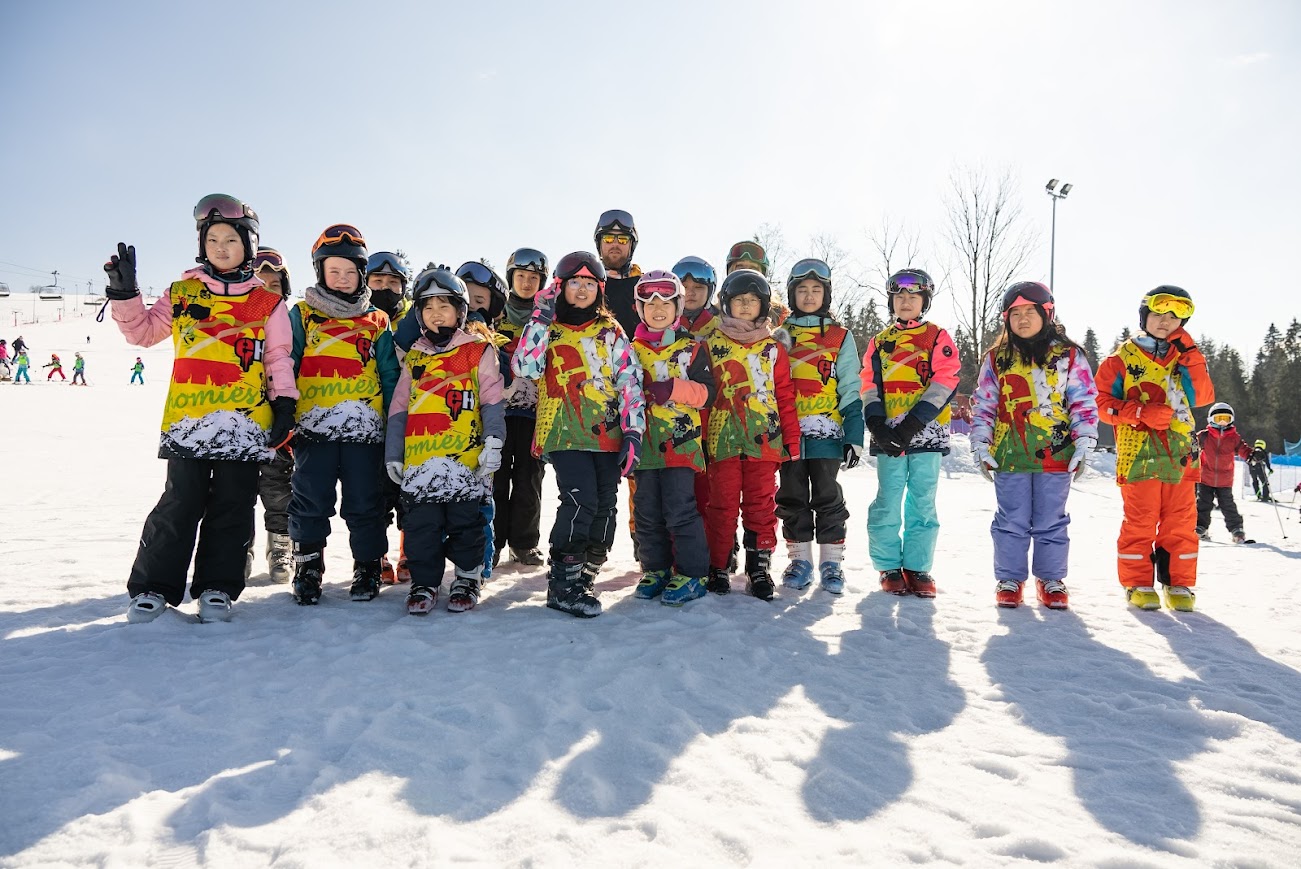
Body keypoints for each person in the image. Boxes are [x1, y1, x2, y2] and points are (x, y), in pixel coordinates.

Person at [104, 193, 297, 623]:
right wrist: (124, 294)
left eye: (231, 238)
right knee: (180, 502)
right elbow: (142, 334)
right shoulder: (183, 292)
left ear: (249, 243)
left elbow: (278, 359)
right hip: (188, 423)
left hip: (246, 425)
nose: (222, 248)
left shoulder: (269, 303)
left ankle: (217, 587)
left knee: (233, 505)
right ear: (201, 246)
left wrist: (285, 404)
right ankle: (154, 587)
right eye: (212, 240)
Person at [511, 251, 645, 618]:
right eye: (575, 282)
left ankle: (587, 570)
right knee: (580, 499)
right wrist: (540, 316)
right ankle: (563, 582)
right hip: (564, 429)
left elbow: (629, 381)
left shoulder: (610, 331)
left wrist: (633, 433)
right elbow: (524, 366)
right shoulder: (549, 328)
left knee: (604, 503)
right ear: (560, 287)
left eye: (590, 283)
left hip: (607, 432)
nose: (582, 289)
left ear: (600, 289)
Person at [286, 224, 400, 606]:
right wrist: (282, 414)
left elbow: (389, 375)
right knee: (309, 501)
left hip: (365, 434)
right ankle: (308, 566)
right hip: (313, 431)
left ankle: (367, 565)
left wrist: (392, 426)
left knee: (366, 503)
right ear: (320, 272)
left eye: (351, 272)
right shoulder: (301, 314)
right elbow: (286, 363)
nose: (343, 278)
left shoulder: (377, 320)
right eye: (334, 271)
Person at [969, 282, 1099, 609]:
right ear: (1006, 318)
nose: (1023, 319)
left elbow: (1082, 400)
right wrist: (981, 444)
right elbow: (984, 404)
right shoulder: (997, 358)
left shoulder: (1069, 355)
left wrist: (1084, 440)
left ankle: (1051, 579)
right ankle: (1010, 579)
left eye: (1030, 312)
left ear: (1046, 314)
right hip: (1009, 454)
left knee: (1051, 518)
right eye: (1015, 313)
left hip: (1056, 454)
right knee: (1010, 519)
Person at [386, 266, 505, 614]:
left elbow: (492, 401)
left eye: (444, 306)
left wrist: (494, 441)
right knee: (422, 526)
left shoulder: (478, 352)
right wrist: (394, 454)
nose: (436, 313)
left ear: (460, 311)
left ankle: (468, 578)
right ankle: (425, 582)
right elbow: (399, 409)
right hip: (421, 462)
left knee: (465, 524)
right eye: (428, 307)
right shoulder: (416, 358)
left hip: (465, 462)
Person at [1096, 286, 1213, 611]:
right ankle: (1137, 583)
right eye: (1159, 313)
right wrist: (1138, 413)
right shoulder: (1120, 359)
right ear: (1144, 315)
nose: (1166, 321)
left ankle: (1179, 584)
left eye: (1175, 316)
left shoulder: (1185, 357)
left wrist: (1191, 354)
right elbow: (1101, 405)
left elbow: (1202, 398)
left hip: (1181, 456)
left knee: (1181, 521)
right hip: (1139, 457)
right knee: (1141, 520)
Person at [861, 269, 961, 599]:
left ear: (924, 301)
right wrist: (875, 422)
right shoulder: (879, 341)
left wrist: (913, 424)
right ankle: (889, 566)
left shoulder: (937, 336)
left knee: (922, 502)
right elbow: (869, 384)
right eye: (899, 296)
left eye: (913, 296)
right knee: (888, 500)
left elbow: (946, 380)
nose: (906, 301)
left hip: (924, 435)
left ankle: (918, 567)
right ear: (891, 301)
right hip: (889, 437)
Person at [703, 268, 801, 600]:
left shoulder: (774, 349)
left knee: (761, 505)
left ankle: (758, 567)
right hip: (723, 439)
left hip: (764, 440)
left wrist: (791, 439)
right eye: (739, 300)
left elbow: (785, 397)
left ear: (764, 306)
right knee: (722, 505)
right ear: (726, 304)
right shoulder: (710, 344)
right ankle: (718, 566)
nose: (746, 307)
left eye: (753, 301)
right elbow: (702, 397)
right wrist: (699, 439)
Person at [775, 258, 864, 595]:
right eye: (802, 290)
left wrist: (853, 435)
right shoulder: (780, 336)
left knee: (828, 495)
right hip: (789, 434)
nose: (809, 296)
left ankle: (832, 562)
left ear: (826, 294)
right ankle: (800, 560)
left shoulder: (840, 336)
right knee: (792, 495)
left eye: (816, 290)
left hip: (826, 432)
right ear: (792, 294)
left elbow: (850, 387)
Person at [629, 269, 716, 606]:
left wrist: (674, 389)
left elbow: (708, 394)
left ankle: (693, 573)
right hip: (644, 445)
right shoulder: (629, 350)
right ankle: (657, 568)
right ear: (640, 309)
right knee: (647, 510)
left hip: (681, 445)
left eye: (666, 301)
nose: (658, 308)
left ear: (678, 307)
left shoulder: (692, 349)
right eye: (650, 303)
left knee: (680, 509)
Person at [455, 260, 511, 582]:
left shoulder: (493, 345)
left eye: (480, 302)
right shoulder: (439, 342)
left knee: (480, 502)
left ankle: (479, 565)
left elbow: (503, 381)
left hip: (481, 434)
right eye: (467, 301)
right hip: (448, 434)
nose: (473, 310)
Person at [494, 248, 550, 567]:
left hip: (534, 412)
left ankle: (524, 542)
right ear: (510, 278)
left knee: (529, 478)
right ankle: (494, 539)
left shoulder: (545, 317)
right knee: (497, 477)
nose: (527, 283)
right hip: (499, 411)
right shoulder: (497, 314)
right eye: (521, 277)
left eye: (533, 278)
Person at [244, 247, 296, 582]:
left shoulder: (291, 324)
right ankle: (238, 545)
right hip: (238, 418)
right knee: (234, 490)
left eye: (273, 285)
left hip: (279, 418)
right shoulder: (231, 319)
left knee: (279, 486)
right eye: (257, 282)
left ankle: (281, 545)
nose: (265, 291)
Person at [365, 250, 414, 583]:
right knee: (375, 492)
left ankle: (409, 551)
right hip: (371, 420)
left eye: (393, 282)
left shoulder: (417, 319)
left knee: (411, 492)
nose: (385, 287)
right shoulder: (358, 317)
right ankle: (378, 553)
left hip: (414, 421)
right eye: (377, 281)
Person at [1194, 402, 1252, 543]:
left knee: (1227, 504)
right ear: (1211, 420)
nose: (1221, 422)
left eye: (1225, 419)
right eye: (1218, 418)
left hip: (1224, 479)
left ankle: (1236, 529)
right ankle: (1201, 526)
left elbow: (1243, 449)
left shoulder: (1233, 437)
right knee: (1203, 503)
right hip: (1205, 477)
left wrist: (1252, 454)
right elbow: (1191, 445)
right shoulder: (1204, 436)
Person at [594, 209, 643, 335]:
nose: (615, 244)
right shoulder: (587, 284)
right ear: (599, 244)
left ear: (631, 245)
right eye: (608, 238)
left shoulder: (644, 287)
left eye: (622, 239)